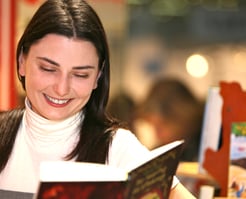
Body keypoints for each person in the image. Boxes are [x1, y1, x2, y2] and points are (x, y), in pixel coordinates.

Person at [0, 0, 195, 198]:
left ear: (98, 76)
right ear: (21, 62)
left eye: (80, 75)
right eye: (48, 69)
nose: (61, 88)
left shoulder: (118, 149)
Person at [133, 78, 204, 161]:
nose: (158, 135)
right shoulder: (162, 152)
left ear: (181, 119)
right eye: (154, 127)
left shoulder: (206, 146)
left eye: (160, 128)